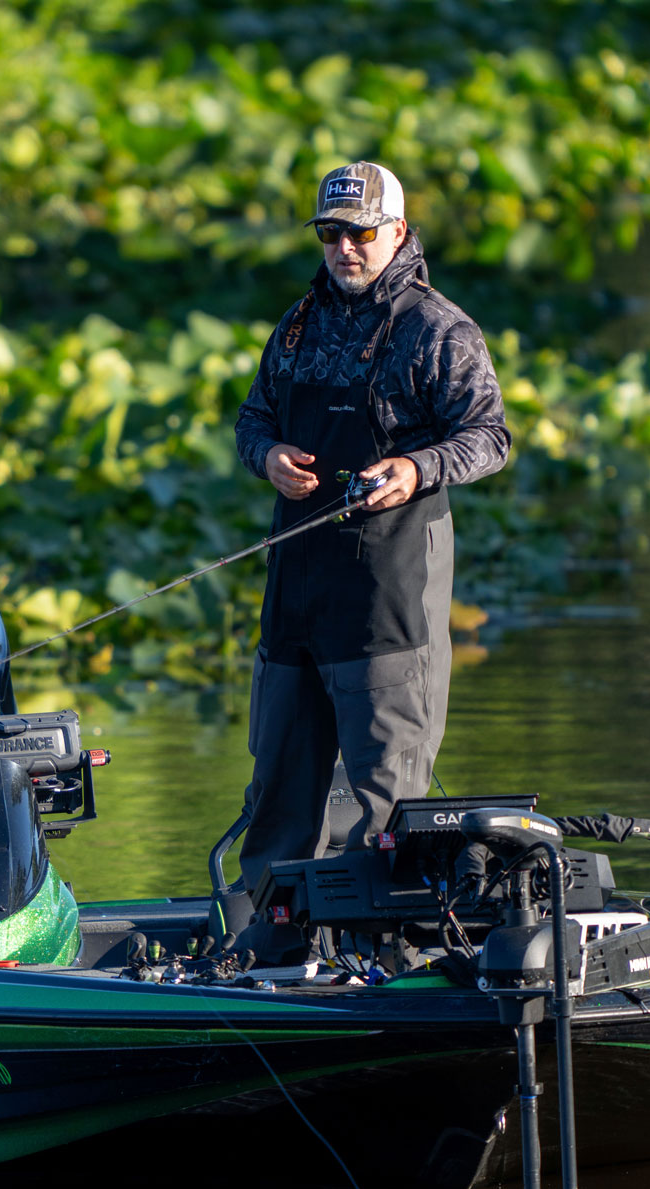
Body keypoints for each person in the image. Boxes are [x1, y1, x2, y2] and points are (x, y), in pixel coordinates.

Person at [234, 161, 510, 892]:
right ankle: (265, 945)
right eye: (330, 233)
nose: (344, 248)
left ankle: (392, 950)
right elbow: (252, 417)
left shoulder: (440, 329)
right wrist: (267, 456)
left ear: (397, 231)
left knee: (388, 803)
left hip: (389, 604)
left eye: (359, 232)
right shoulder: (297, 325)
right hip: (294, 601)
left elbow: (489, 437)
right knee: (278, 800)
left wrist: (416, 470)